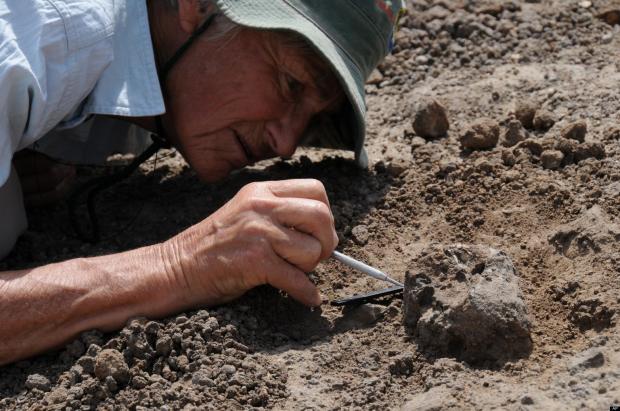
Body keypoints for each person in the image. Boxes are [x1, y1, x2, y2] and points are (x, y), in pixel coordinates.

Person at [0, 0, 404, 364]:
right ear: (197, 6)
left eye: (315, 121)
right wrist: (179, 265)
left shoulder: (170, 70)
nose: (286, 145)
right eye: (291, 83)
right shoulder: (44, 42)